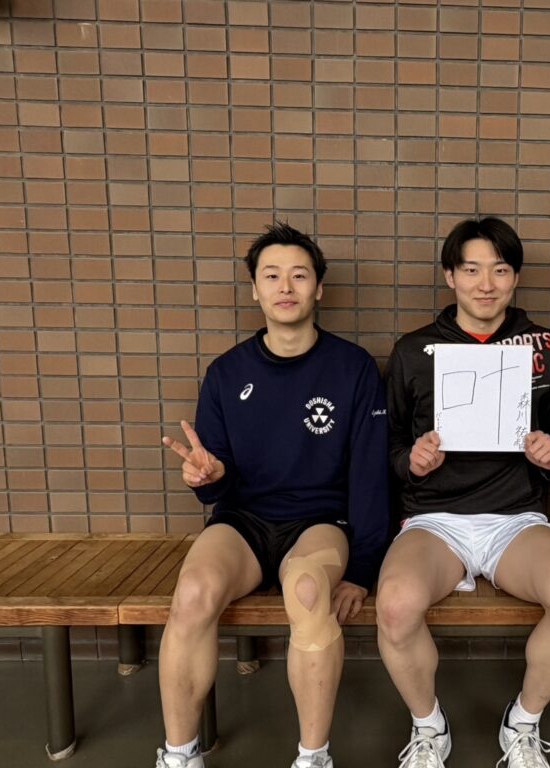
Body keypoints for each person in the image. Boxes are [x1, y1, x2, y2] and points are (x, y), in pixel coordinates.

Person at [156, 223, 389, 768]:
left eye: (299, 275)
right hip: (243, 521)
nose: (286, 286)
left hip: (319, 522)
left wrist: (364, 568)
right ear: (255, 290)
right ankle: (179, 754)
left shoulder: (353, 368)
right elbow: (216, 483)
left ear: (319, 289)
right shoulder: (226, 372)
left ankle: (313, 756)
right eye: (272, 276)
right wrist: (207, 477)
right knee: (192, 594)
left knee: (307, 592)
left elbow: (371, 476)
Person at [378, 216, 550, 768]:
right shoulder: (414, 350)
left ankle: (522, 723)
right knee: (396, 605)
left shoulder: (543, 346)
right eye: (471, 269)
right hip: (435, 519)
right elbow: (391, 445)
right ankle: (429, 727)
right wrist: (411, 461)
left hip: (515, 518)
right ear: (450, 276)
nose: (486, 284)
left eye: (499, 270)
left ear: (515, 277)